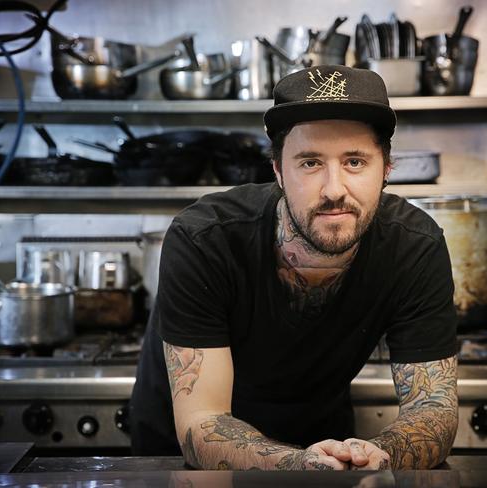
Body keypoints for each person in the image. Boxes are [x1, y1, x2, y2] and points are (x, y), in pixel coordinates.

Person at [130, 65, 458, 470]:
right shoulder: (206, 240)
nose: (334, 189)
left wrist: (377, 458)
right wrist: (296, 466)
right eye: (309, 163)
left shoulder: (415, 246)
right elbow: (203, 421)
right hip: (185, 462)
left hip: (326, 447)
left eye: (355, 162)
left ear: (386, 170)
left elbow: (433, 408)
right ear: (278, 171)